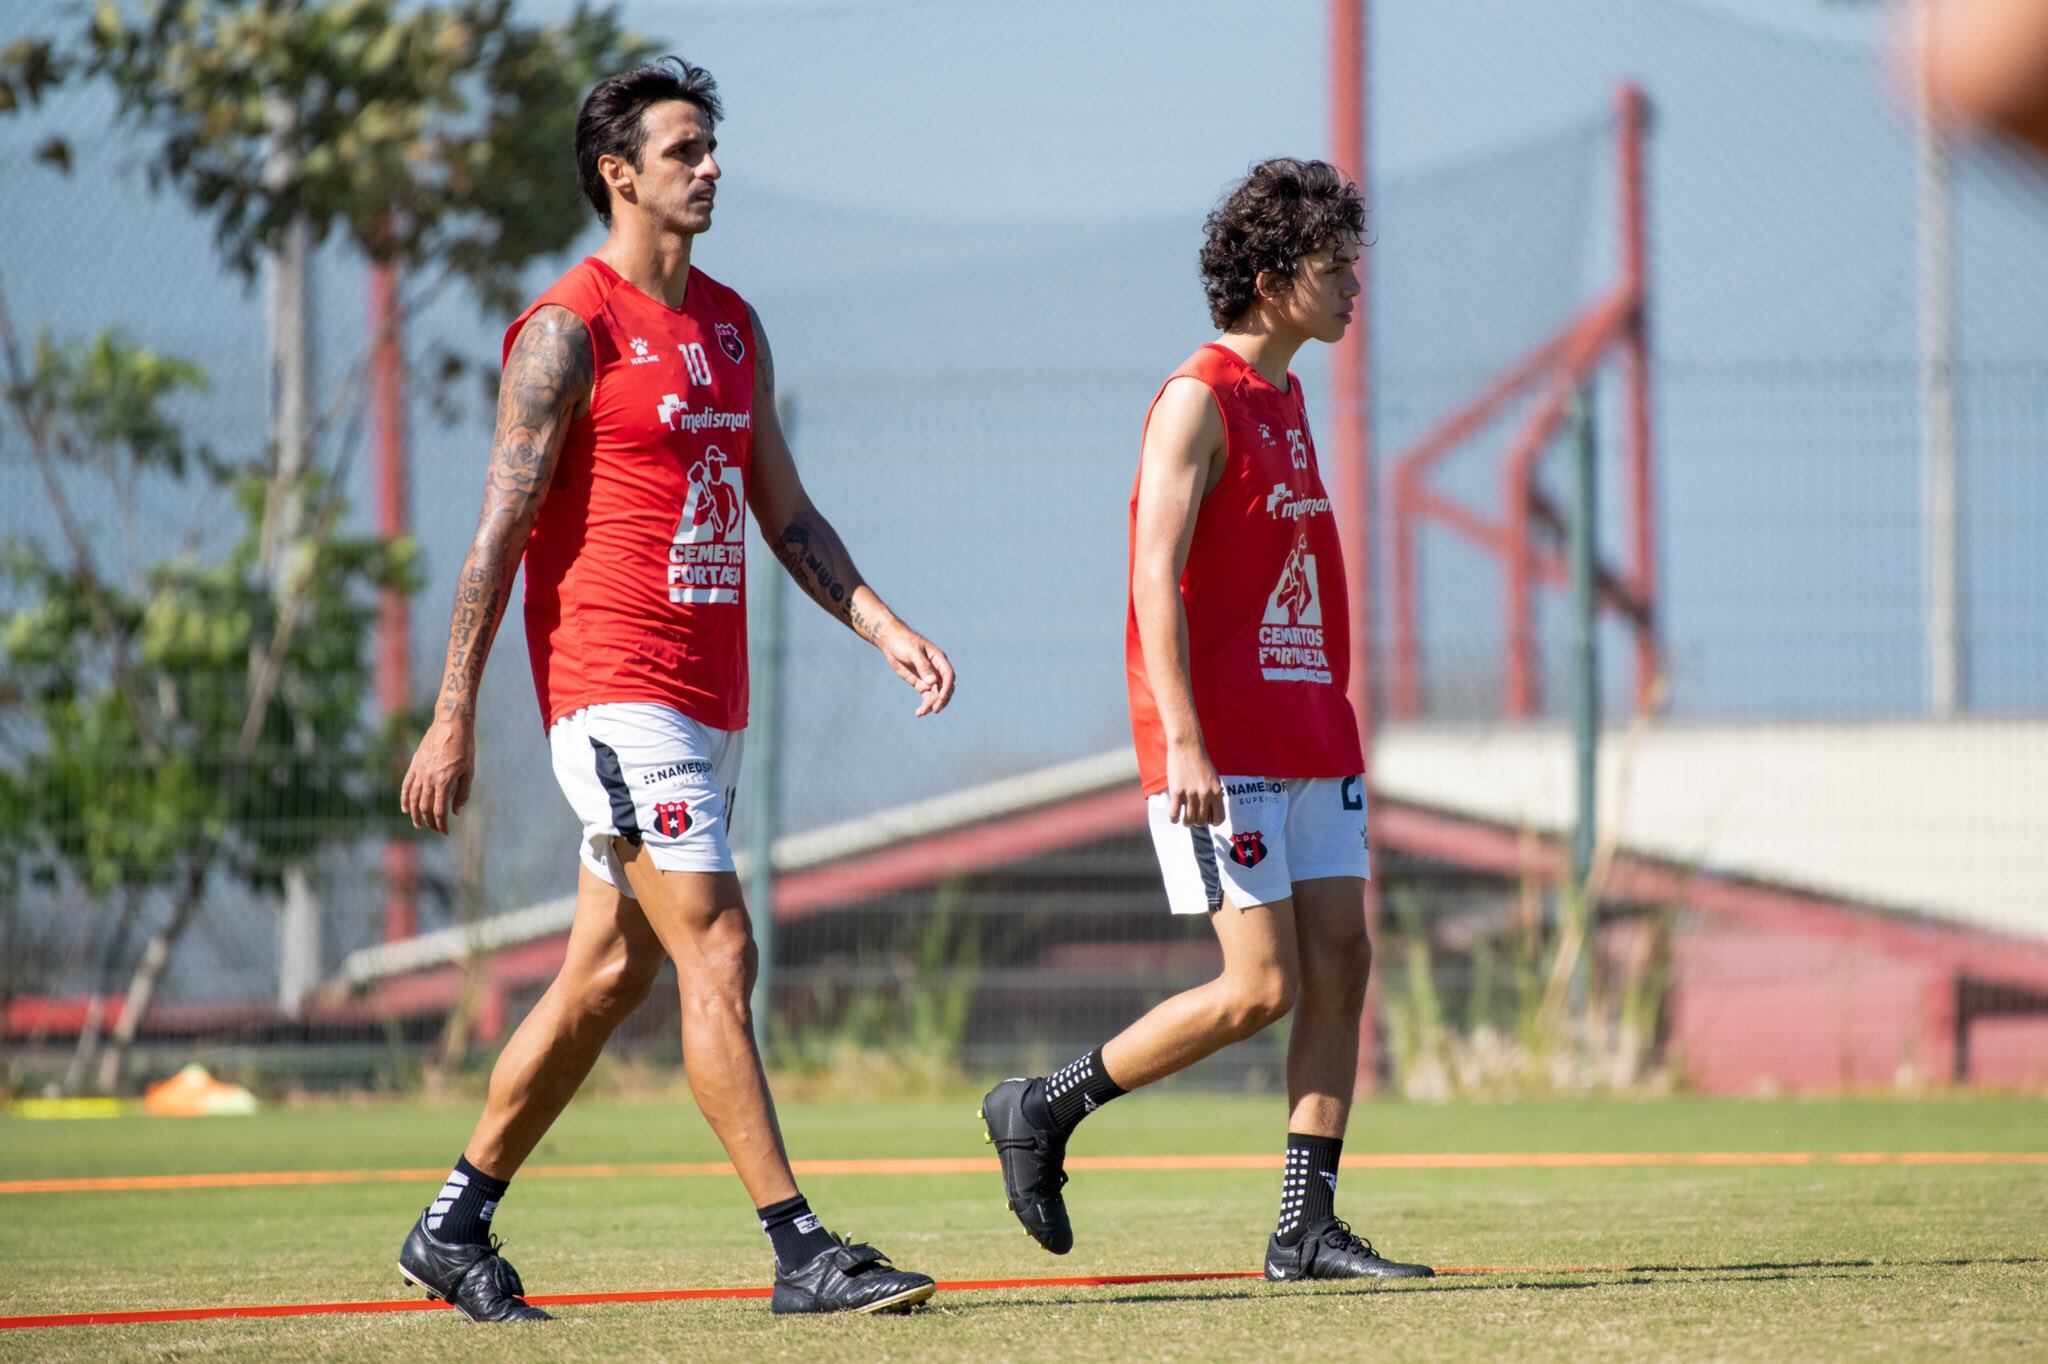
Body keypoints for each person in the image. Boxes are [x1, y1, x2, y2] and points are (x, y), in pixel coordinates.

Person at [393, 57, 954, 1321]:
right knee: (720, 943)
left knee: (606, 975)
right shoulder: (564, 330)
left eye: (711, 147)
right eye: (683, 150)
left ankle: (452, 1224)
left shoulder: (733, 326)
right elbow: (496, 533)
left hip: (709, 697)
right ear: (618, 174)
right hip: (612, 689)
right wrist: (452, 710)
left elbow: (784, 509)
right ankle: (801, 1249)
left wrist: (881, 624)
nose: (710, 168)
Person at [980, 158, 1431, 1284]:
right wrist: (1183, 738)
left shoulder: (1288, 396)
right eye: (1334, 269)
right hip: (1221, 748)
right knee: (1257, 988)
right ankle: (1041, 1107)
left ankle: (1304, 1229)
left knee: (1342, 960)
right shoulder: (1198, 396)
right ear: (1272, 281)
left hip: (1309, 731)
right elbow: (1152, 574)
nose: (1355, 287)